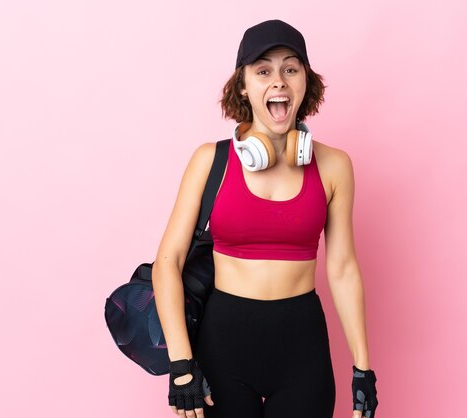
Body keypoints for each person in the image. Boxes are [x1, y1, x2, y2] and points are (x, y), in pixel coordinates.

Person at [152, 19, 379, 418]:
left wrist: (363, 369)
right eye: (263, 71)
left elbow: (342, 268)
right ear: (243, 85)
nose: (279, 81)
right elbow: (167, 262)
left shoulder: (334, 166)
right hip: (223, 347)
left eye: (291, 69)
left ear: (306, 82)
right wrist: (181, 366)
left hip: (302, 349)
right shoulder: (211, 161)